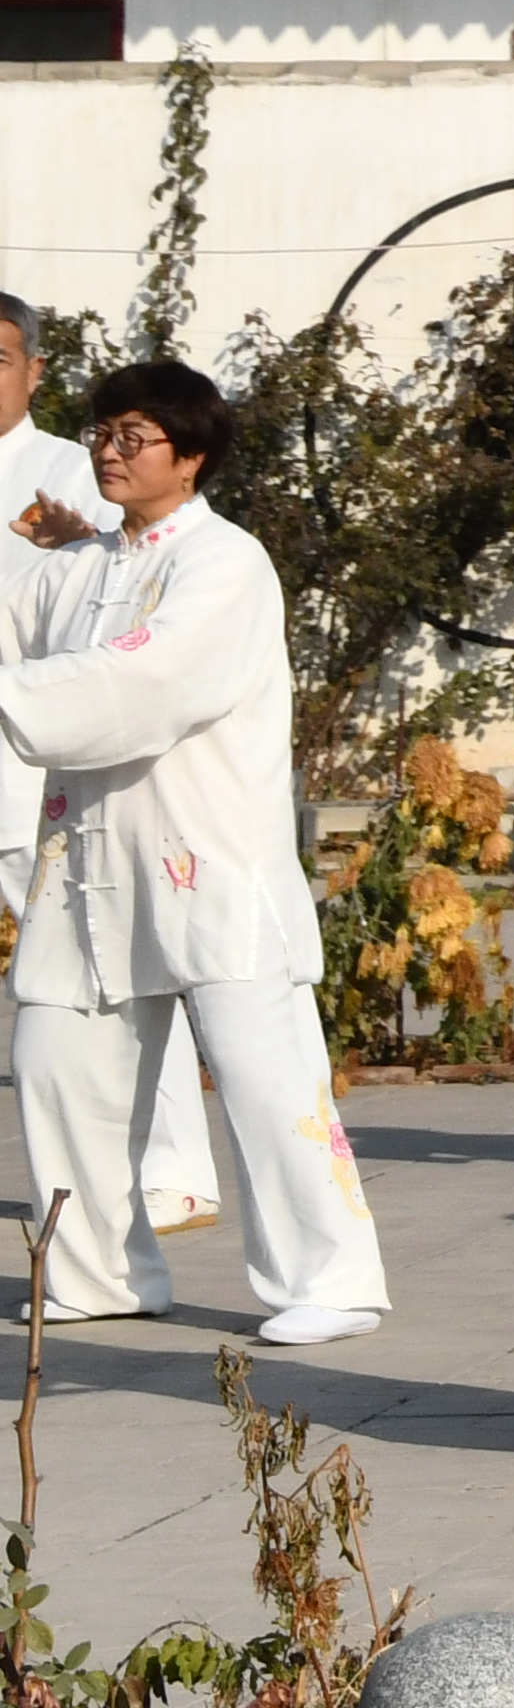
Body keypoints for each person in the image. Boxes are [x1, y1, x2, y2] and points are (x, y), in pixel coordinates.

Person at [0, 362, 388, 1343]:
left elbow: (150, 682)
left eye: (134, 435)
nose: (109, 450)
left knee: (265, 1078)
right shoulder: (78, 568)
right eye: (102, 432)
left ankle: (332, 1277)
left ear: (193, 452)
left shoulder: (224, 563)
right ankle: (99, 1271)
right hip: (88, 863)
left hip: (206, 856)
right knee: (53, 1058)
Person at [1, 292, 222, 1235]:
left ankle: (170, 1167)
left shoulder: (72, 467)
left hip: (53, 748)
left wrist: (76, 536)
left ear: (34, 370)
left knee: (114, 955)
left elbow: (138, 564)